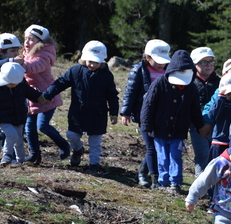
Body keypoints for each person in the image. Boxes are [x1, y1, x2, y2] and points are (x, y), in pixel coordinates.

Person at [41, 41, 119, 173]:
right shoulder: (75, 71)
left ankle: (94, 164)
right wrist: (47, 95)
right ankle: (78, 149)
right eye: (90, 61)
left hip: (97, 114)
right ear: (84, 58)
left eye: (96, 62)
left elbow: (112, 96)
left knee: (95, 142)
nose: (92, 65)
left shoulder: (106, 75)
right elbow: (61, 83)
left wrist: (114, 113)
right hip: (78, 112)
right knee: (71, 135)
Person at [140, 50, 205, 191]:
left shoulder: (192, 88)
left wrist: (200, 126)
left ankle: (175, 182)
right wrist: (146, 124)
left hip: (179, 131)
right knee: (162, 157)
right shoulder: (159, 83)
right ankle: (163, 181)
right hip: (159, 129)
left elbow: (195, 109)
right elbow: (148, 105)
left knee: (176, 156)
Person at [119, 39, 171, 187]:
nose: (161, 64)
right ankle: (151, 177)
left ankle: (142, 170)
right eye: (158, 61)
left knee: (158, 146)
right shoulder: (139, 71)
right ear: (147, 57)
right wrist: (125, 112)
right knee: (151, 147)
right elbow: (130, 92)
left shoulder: (168, 71)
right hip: (145, 114)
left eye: (164, 61)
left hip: (162, 115)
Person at [17, 25, 71, 165]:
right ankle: (34, 154)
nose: (27, 42)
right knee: (29, 127)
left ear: (40, 41)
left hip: (46, 96)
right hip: (32, 97)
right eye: (26, 39)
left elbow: (33, 67)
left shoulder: (45, 53)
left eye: (31, 39)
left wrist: (17, 64)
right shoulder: (25, 54)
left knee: (42, 125)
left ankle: (64, 145)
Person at [0, 62, 42, 165]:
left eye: (14, 83)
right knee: (12, 135)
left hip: (19, 118)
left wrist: (44, 97)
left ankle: (21, 160)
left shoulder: (22, 86)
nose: (12, 85)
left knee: (19, 140)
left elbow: (34, 95)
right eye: (10, 83)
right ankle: (6, 157)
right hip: (2, 118)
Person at [189, 47, 218, 176]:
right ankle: (200, 187)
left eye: (211, 61)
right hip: (196, 126)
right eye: (203, 62)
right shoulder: (189, 82)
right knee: (202, 155)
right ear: (194, 64)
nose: (208, 65)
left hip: (216, 125)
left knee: (215, 155)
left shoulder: (220, 82)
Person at [206, 74, 231, 161]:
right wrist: (221, 98)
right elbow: (212, 115)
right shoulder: (220, 101)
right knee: (216, 168)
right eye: (229, 93)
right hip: (220, 141)